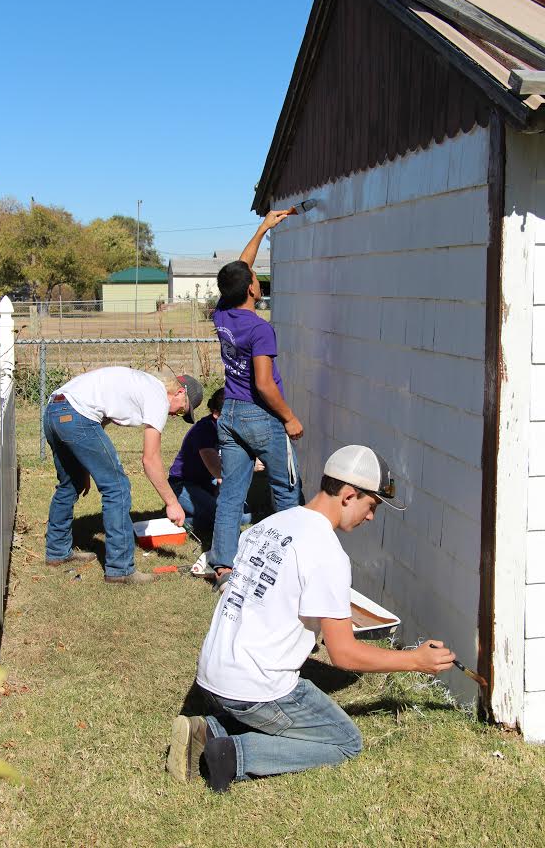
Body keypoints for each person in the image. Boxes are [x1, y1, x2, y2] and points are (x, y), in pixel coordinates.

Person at [166, 445, 455, 790]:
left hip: (211, 677)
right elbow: (344, 655)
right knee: (344, 740)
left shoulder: (271, 524)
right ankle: (231, 753)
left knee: (279, 715)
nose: (371, 517)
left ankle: (209, 728)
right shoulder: (326, 552)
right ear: (349, 496)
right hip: (253, 688)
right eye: (372, 506)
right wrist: (415, 661)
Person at [209, 210, 304, 591]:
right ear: (252, 289)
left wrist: (263, 228)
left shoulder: (222, 314)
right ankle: (293, 566)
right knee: (285, 489)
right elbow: (264, 385)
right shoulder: (260, 328)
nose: (256, 280)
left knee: (232, 493)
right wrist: (290, 418)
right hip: (259, 414)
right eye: (254, 280)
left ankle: (223, 568)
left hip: (229, 414)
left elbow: (240, 269)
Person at [44, 366, 203, 585]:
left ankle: (57, 551)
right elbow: (150, 459)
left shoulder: (141, 384)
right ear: (179, 393)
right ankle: (120, 569)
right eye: (183, 410)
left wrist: (86, 467)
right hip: (77, 415)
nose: (176, 415)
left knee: (69, 485)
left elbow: (101, 416)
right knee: (116, 487)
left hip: (54, 409)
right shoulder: (158, 395)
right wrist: (172, 502)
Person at [168, 387, 261, 532]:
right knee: (237, 517)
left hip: (207, 482)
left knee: (243, 514)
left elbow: (222, 475)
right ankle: (177, 523)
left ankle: (195, 514)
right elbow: (217, 471)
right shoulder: (204, 430)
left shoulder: (231, 429)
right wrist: (250, 465)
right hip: (182, 486)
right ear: (217, 414)